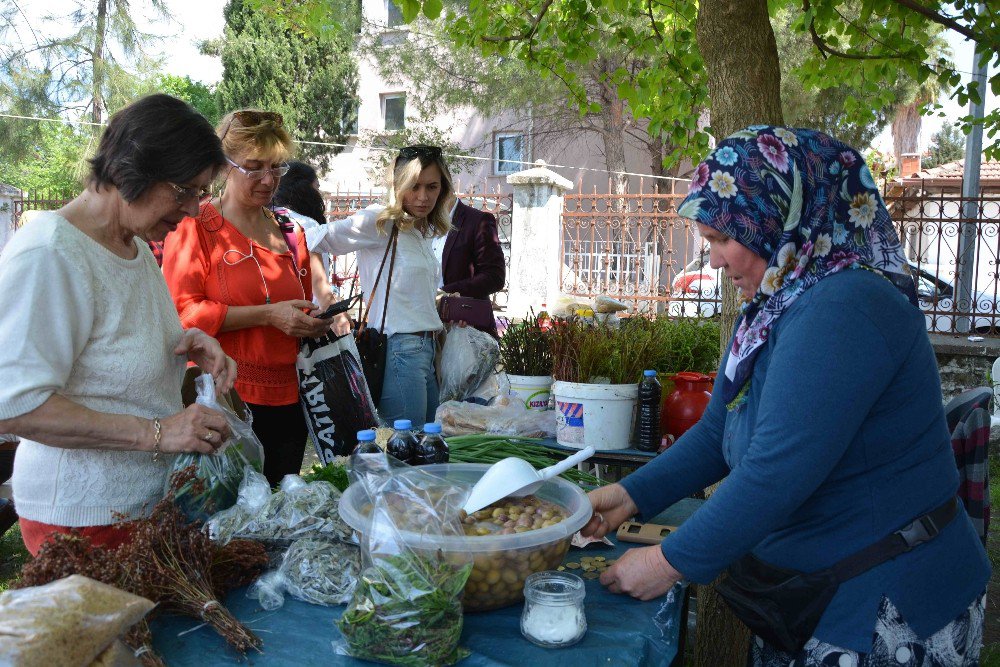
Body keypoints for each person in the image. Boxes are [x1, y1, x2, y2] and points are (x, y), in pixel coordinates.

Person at [582, 127, 990, 666]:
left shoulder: (847, 306)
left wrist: (666, 562)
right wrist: (627, 498)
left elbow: (776, 473)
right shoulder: (778, 303)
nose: (713, 262)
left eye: (721, 240)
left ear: (777, 219)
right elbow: (716, 434)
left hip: (885, 607)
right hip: (820, 595)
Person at [0, 94, 237, 555]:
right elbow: (14, 404)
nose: (192, 210)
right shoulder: (51, 252)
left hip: (139, 509)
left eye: (200, 193)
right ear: (136, 170)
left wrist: (186, 341)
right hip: (79, 521)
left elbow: (112, 349)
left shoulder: (132, 243)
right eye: (184, 190)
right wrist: (158, 433)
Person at [162, 109, 336, 487]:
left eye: (276, 167)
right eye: (254, 167)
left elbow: (298, 308)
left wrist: (311, 321)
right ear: (224, 166)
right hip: (226, 399)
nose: (268, 180)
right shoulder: (196, 227)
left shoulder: (291, 233)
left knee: (277, 508)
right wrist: (268, 315)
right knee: (229, 521)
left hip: (291, 400)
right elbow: (182, 314)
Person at [306, 144, 453, 425]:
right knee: (405, 449)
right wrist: (327, 299)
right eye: (414, 186)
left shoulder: (422, 228)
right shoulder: (380, 221)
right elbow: (311, 238)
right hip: (399, 349)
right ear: (397, 185)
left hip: (428, 348)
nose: (423, 197)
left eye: (432, 187)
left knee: (427, 446)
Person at [434, 198, 506, 336]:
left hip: (464, 330)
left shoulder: (477, 220)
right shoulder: (417, 223)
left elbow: (494, 276)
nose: (423, 195)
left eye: (432, 186)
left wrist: (443, 294)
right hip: (421, 329)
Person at [271, 161, 338, 305]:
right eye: (317, 187)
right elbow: (319, 283)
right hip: (305, 310)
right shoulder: (307, 225)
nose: (318, 194)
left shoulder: (265, 217)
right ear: (305, 189)